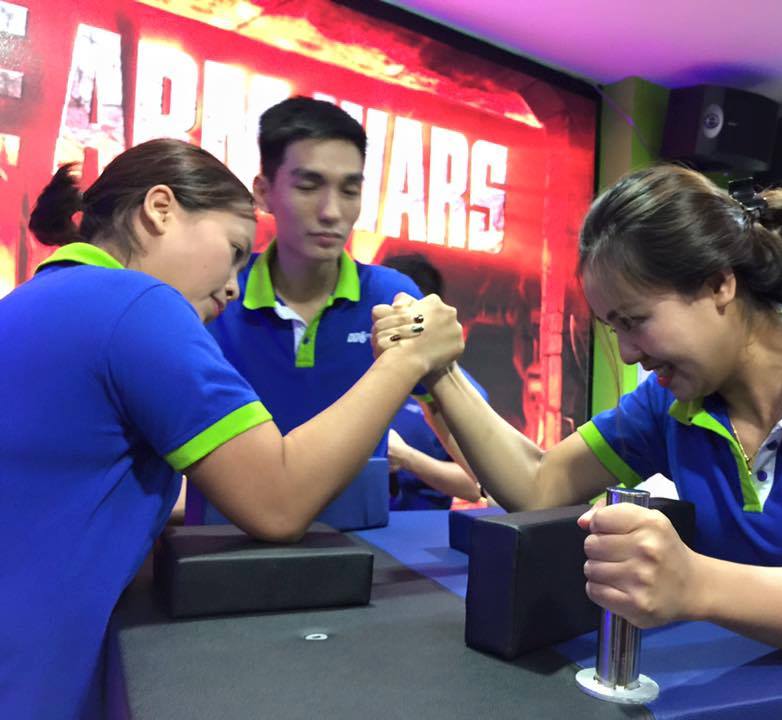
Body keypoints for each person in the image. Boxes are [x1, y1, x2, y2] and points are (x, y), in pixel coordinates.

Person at [374, 165, 782, 664]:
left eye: (636, 320)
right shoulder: (671, 403)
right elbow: (538, 485)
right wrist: (437, 370)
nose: (629, 352)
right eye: (615, 329)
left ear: (720, 285)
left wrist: (692, 581)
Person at [0, 139, 460, 718]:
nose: (233, 287)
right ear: (160, 209)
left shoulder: (32, 301)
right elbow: (278, 500)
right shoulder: (138, 304)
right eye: (235, 251)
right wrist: (406, 359)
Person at [203, 97, 425, 529]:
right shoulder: (218, 296)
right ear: (264, 192)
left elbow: (452, 416)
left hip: (363, 541)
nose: (331, 212)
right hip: (225, 539)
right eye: (308, 186)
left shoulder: (392, 296)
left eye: (350, 190)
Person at [380, 253, 483, 510]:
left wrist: (407, 458)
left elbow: (476, 485)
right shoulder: (358, 377)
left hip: (423, 526)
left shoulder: (460, 390)